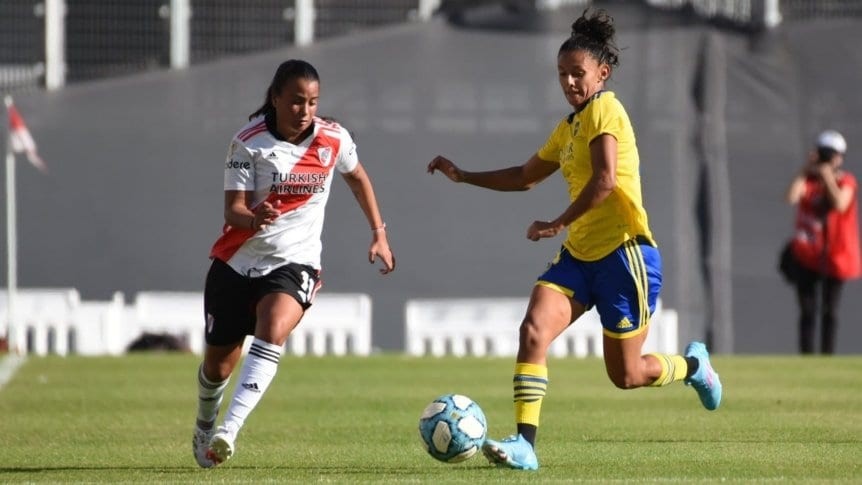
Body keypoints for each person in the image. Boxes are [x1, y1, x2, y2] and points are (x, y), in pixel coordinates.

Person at [426, 9, 721, 471]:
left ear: (601, 73)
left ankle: (693, 368)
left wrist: (557, 222)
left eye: (577, 73)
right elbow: (525, 177)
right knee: (533, 331)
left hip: (626, 255)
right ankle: (525, 445)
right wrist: (464, 176)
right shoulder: (569, 128)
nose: (568, 82)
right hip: (579, 256)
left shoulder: (606, 109)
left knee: (626, 375)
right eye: (562, 74)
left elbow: (604, 180)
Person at [192, 59, 396, 468]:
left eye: (313, 102)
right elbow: (232, 210)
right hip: (236, 262)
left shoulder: (333, 139)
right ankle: (204, 423)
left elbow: (358, 178)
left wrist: (379, 232)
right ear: (276, 99)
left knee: (273, 330)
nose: (306, 110)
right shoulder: (247, 143)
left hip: (295, 262)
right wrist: (254, 218)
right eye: (297, 101)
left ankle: (228, 431)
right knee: (218, 366)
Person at [784, 129, 860, 354]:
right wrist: (804, 170)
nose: (829, 158)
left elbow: (839, 204)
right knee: (807, 310)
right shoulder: (807, 180)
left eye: (833, 154)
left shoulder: (846, 181)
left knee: (830, 310)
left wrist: (827, 175)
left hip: (835, 255)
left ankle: (827, 357)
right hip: (807, 253)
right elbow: (790, 197)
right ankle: (806, 357)